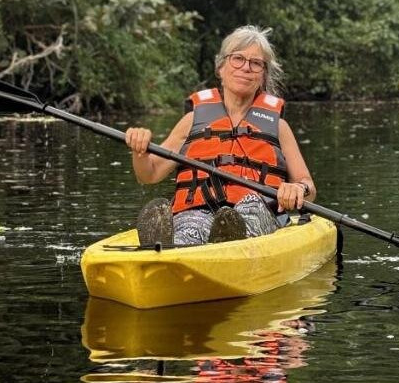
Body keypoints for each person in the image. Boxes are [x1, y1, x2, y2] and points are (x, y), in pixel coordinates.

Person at [124, 25, 317, 246]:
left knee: (250, 207)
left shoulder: (279, 127)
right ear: (221, 68)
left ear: (263, 75)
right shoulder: (191, 121)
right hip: (199, 210)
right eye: (238, 59)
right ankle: (167, 244)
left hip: (259, 212)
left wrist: (297, 188)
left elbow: (309, 188)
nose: (246, 68)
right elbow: (150, 174)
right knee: (192, 225)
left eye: (255, 63)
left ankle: (229, 238)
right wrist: (140, 151)